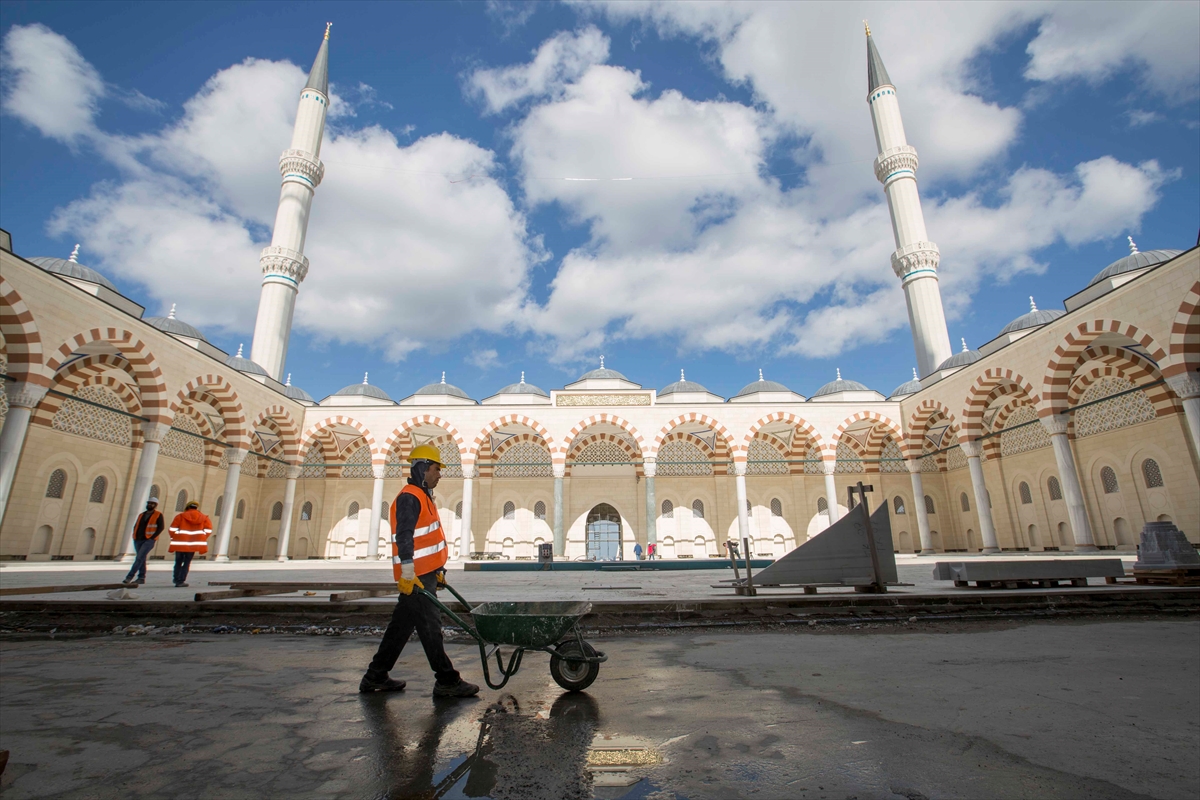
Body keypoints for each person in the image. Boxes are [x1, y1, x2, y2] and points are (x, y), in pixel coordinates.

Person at [360, 444, 480, 698]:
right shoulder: (409, 497)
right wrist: (407, 570)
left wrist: (437, 569)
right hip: (414, 576)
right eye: (437, 469)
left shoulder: (423, 496)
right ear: (423, 468)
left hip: (424, 573)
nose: (440, 474)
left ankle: (375, 675)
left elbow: (429, 538)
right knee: (429, 626)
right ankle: (447, 679)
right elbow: (403, 535)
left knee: (401, 627)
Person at [122, 497, 165, 586]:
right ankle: (141, 578)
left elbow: (161, 527)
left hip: (149, 540)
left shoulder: (158, 515)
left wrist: (152, 537)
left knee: (139, 558)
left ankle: (129, 577)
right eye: (149, 503)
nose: (150, 505)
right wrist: (134, 535)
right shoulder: (141, 515)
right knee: (142, 558)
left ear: (155, 505)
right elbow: (136, 525)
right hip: (138, 539)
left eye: (152, 504)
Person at [168, 501, 212, 588]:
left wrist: (176, 537)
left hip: (180, 544)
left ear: (187, 507)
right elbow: (208, 529)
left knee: (178, 562)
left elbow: (172, 529)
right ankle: (181, 580)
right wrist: (201, 538)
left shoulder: (180, 516)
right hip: (193, 544)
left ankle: (176, 579)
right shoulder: (203, 517)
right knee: (187, 563)